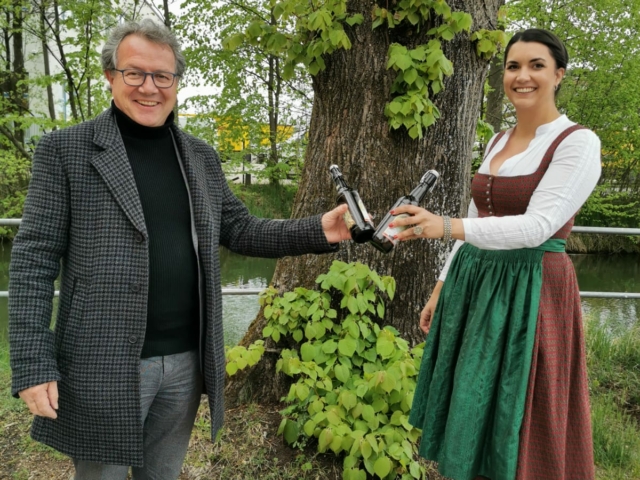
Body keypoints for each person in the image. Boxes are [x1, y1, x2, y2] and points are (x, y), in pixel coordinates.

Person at [8, 18, 350, 479]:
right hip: (102, 364)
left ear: (176, 82)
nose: (149, 87)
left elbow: (240, 229)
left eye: (162, 76)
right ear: (110, 76)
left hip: (187, 362)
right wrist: (32, 362)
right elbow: (33, 261)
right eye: (135, 73)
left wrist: (318, 231)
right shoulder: (65, 151)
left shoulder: (200, 155)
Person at [389, 29, 600, 479]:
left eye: (536, 66)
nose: (522, 76)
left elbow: (538, 226)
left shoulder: (577, 143)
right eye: (512, 66)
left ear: (559, 75)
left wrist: (442, 226)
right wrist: (441, 287)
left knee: (518, 406)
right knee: (472, 399)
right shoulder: (498, 141)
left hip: (531, 289)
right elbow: (475, 216)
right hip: (475, 283)